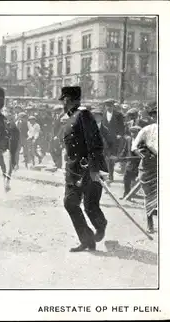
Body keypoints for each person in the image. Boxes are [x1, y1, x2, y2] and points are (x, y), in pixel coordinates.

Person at [60, 86, 108, 252]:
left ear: (69, 99)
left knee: (90, 205)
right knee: (70, 203)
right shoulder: (71, 117)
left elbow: (95, 144)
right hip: (73, 170)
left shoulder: (83, 115)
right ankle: (87, 239)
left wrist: (95, 168)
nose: (62, 104)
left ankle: (100, 225)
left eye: (64, 100)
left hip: (88, 168)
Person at [132, 102, 158, 233]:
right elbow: (134, 147)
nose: (157, 117)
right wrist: (145, 155)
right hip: (149, 166)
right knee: (149, 195)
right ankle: (150, 223)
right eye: (155, 115)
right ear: (152, 116)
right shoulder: (146, 130)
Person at [101, 99, 126, 181]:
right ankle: (106, 175)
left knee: (111, 158)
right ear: (105, 106)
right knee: (104, 158)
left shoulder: (118, 115)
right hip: (104, 140)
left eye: (110, 106)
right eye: (107, 106)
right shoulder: (102, 115)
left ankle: (110, 176)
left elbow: (122, 127)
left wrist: (120, 134)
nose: (108, 108)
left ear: (113, 106)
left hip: (114, 140)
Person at [120, 126, 142, 199]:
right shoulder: (129, 140)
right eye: (132, 132)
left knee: (137, 180)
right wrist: (120, 157)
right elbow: (125, 149)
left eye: (135, 132)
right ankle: (126, 194)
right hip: (130, 162)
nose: (133, 134)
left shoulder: (142, 141)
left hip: (140, 163)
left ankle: (132, 194)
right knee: (126, 178)